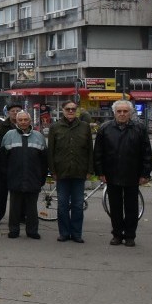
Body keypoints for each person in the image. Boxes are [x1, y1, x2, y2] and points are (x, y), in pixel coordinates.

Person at [94, 100, 152, 247]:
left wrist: (145, 174)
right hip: (111, 174)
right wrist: (100, 172)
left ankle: (130, 236)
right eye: (119, 111)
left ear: (130, 113)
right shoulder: (105, 128)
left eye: (125, 111)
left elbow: (146, 153)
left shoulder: (139, 128)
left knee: (131, 207)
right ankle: (117, 235)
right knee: (115, 207)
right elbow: (98, 153)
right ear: (114, 113)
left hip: (132, 174)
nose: (122, 114)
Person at [47, 101, 93, 243]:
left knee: (78, 205)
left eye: (73, 109)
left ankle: (77, 233)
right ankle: (64, 233)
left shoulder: (84, 127)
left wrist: (90, 170)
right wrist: (52, 170)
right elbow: (51, 151)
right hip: (62, 173)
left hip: (80, 172)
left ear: (77, 111)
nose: (71, 111)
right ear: (63, 110)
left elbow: (90, 150)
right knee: (62, 205)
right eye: (68, 109)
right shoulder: (55, 127)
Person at [0, 111, 48, 240]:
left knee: (32, 207)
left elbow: (44, 160)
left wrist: (42, 177)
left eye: (26, 119)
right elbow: (3, 159)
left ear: (30, 121)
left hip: (33, 177)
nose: (23, 122)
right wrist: (5, 176)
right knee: (15, 206)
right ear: (16, 121)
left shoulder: (39, 136)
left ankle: (32, 231)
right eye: (20, 120)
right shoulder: (8, 135)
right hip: (14, 177)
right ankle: (14, 230)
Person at [0, 103, 23, 225]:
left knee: (20, 192)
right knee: (0, 193)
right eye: (13, 111)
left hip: (19, 163)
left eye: (17, 110)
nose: (15, 112)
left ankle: (21, 216)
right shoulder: (1, 127)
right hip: (3, 163)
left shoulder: (25, 125)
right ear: (8, 113)